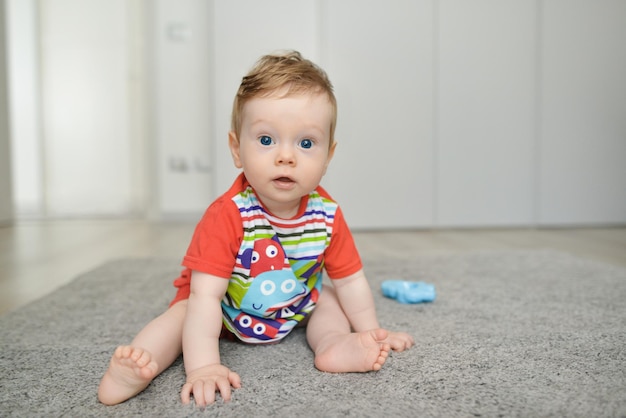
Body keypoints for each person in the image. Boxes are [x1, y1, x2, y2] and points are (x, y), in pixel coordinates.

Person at [97, 50, 414, 407]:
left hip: (293, 304)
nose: (286, 156)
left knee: (329, 299)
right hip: (225, 310)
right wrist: (204, 367)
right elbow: (206, 296)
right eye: (266, 140)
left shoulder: (327, 215)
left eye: (306, 143)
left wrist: (371, 330)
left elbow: (351, 280)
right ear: (237, 149)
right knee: (181, 315)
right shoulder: (228, 214)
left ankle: (333, 345)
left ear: (328, 157)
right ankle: (136, 367)